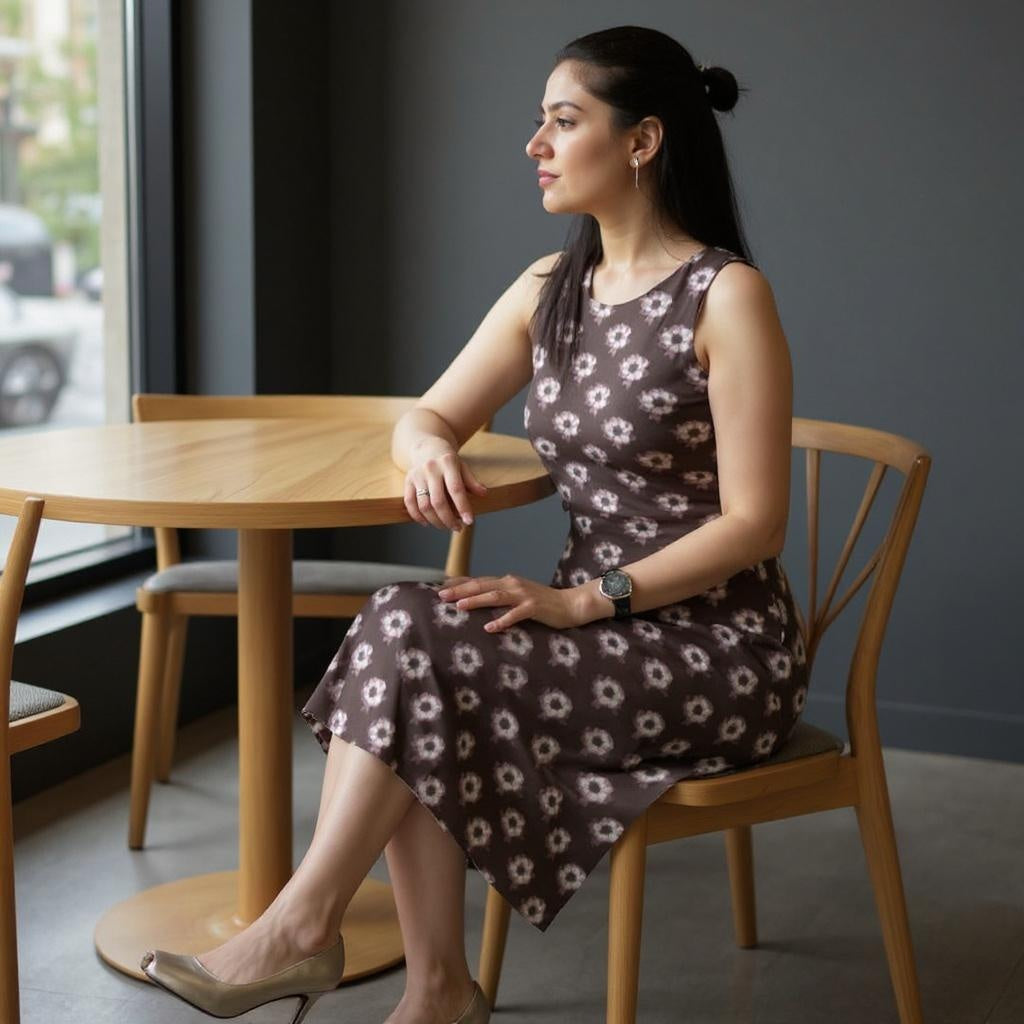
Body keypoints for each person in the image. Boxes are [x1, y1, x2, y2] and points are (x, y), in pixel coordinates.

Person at [140, 23, 808, 1024]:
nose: (535, 143)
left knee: (419, 648)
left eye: (563, 120)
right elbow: (425, 414)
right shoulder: (551, 289)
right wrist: (432, 451)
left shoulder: (726, 296)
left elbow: (756, 524)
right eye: (538, 120)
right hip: (596, 632)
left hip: (714, 647)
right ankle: (416, 977)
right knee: (412, 632)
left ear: (642, 141)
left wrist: (588, 599)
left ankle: (314, 936)